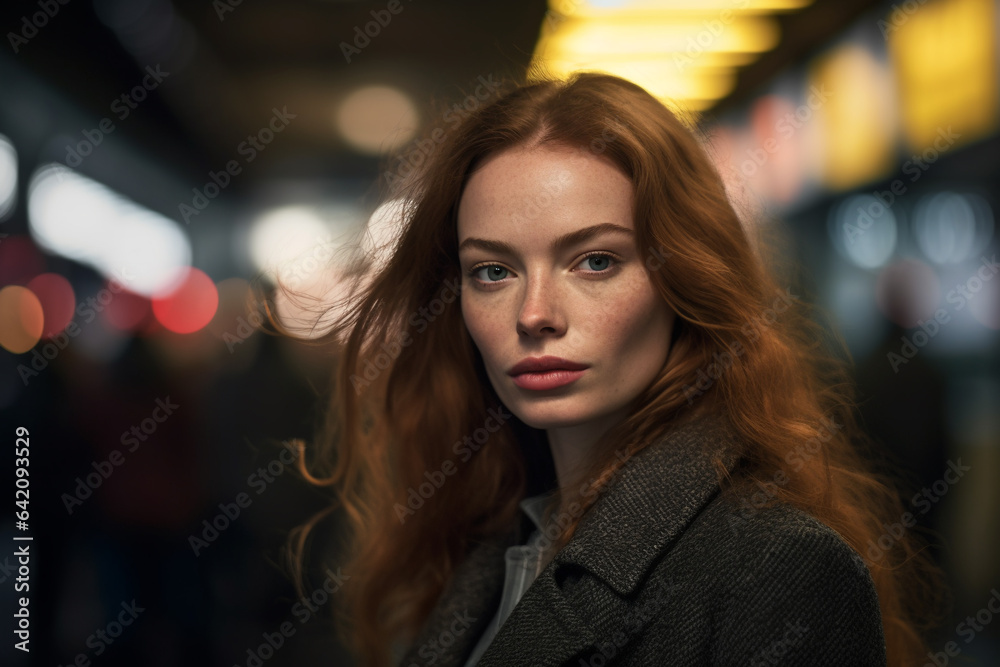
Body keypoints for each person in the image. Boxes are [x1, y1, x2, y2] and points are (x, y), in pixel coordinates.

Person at [279, 71, 947, 667]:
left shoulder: (780, 570)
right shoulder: (488, 541)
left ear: (683, 278)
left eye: (595, 260)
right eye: (492, 270)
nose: (534, 313)